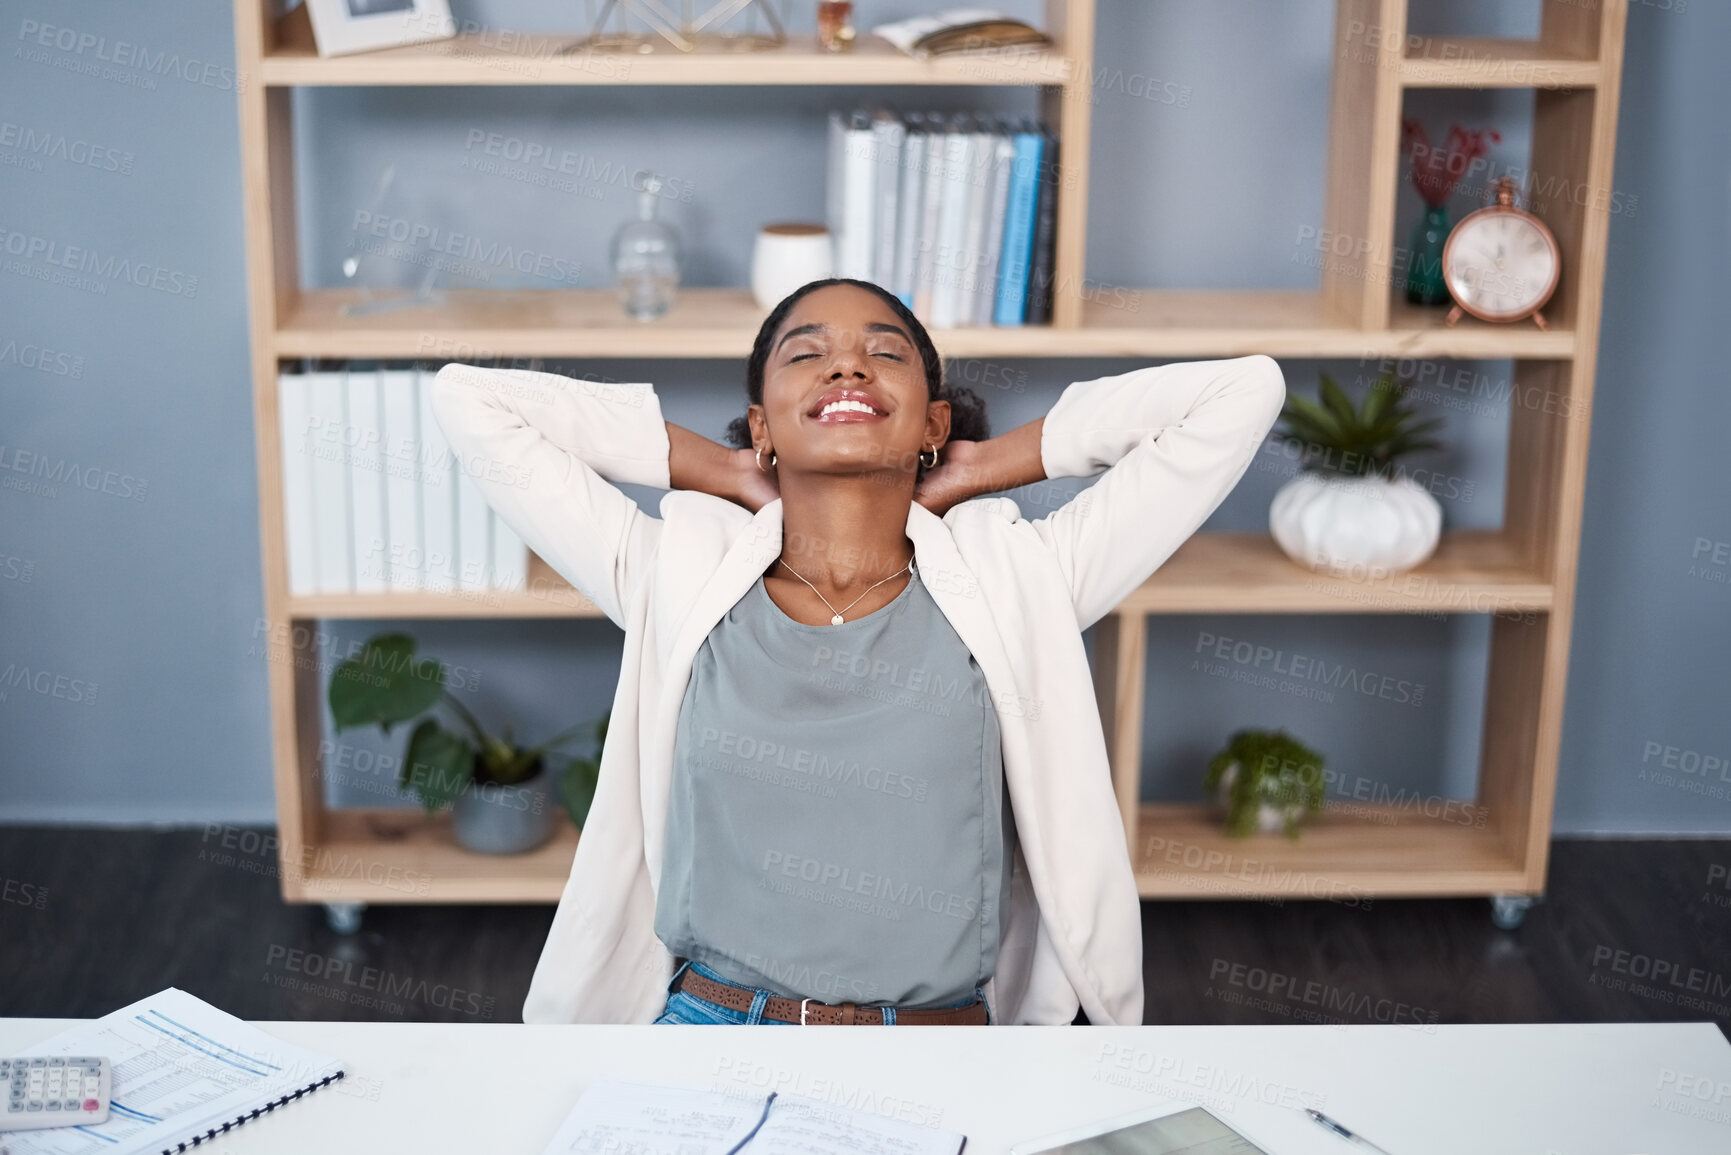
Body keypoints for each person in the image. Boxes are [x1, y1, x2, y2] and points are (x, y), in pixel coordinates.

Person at [430, 277, 1287, 1025]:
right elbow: (470, 400)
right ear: (762, 425)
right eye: (807, 354)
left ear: (933, 421)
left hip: (942, 1046)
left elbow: (1242, 392)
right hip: (711, 1031)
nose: (847, 366)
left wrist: (988, 463)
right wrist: (719, 469)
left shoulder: (1024, 577)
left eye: (885, 353)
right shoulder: (675, 571)